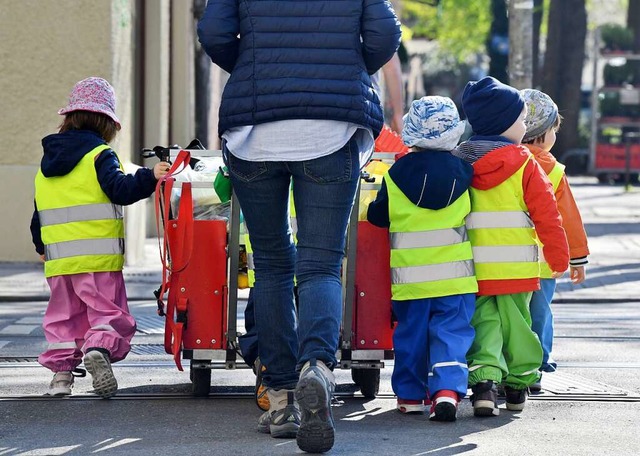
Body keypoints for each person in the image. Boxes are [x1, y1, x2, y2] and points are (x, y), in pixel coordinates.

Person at [197, 1, 401, 452]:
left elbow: (213, 33)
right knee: (321, 265)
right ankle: (319, 370)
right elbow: (385, 33)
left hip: (253, 130)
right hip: (333, 128)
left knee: (271, 266)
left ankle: (284, 395)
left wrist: (251, 68)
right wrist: (347, 68)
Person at [30, 77, 170, 398]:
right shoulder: (100, 154)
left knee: (63, 320)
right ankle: (98, 350)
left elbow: (39, 211)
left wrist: (41, 246)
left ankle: (61, 379)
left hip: (58, 262)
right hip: (98, 259)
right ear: (107, 123)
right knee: (107, 314)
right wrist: (151, 176)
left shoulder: (47, 163)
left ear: (69, 118)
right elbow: (119, 189)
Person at [453, 76, 570, 416]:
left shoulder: (460, 162)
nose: (525, 125)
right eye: (521, 119)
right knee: (518, 326)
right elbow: (547, 215)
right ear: (505, 125)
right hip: (517, 270)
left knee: (484, 327)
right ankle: (518, 385)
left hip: (472, 270)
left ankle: (485, 386)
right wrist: (558, 255)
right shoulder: (525, 165)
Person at [367, 96, 477, 422]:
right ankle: (447, 391)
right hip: (455, 278)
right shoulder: (465, 174)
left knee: (410, 336)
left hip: (411, 281)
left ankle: (410, 396)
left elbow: (378, 216)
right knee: (451, 334)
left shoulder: (395, 174)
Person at [520, 88, 589, 390]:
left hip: (506, 259)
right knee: (540, 313)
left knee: (513, 314)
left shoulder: (506, 163)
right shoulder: (553, 170)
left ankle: (511, 363)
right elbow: (568, 219)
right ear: (545, 134)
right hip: (546, 262)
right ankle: (538, 362)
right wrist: (577, 259)